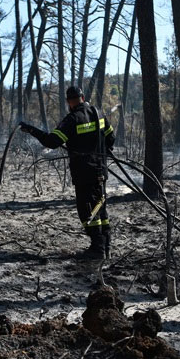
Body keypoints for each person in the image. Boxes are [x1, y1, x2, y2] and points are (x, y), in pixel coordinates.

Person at [20, 86, 115, 260]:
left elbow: (52, 142)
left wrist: (31, 130)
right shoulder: (98, 112)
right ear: (83, 97)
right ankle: (106, 246)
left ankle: (97, 249)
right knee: (100, 207)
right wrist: (103, 149)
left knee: (87, 210)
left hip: (84, 173)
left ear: (68, 102)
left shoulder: (72, 119)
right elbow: (111, 137)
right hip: (101, 170)